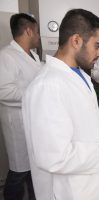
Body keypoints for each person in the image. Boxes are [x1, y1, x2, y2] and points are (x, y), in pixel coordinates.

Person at [22, 9, 99, 200]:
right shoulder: (47, 86)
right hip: (67, 191)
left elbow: (90, 116)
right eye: (97, 46)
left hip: (88, 184)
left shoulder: (81, 76)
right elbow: (55, 157)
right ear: (76, 41)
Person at [0, 13, 41, 200]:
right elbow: (4, 91)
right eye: (37, 32)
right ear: (28, 31)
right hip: (18, 126)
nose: (39, 36)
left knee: (33, 170)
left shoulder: (33, 55)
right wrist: (34, 95)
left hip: (33, 124)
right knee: (18, 173)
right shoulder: (6, 56)